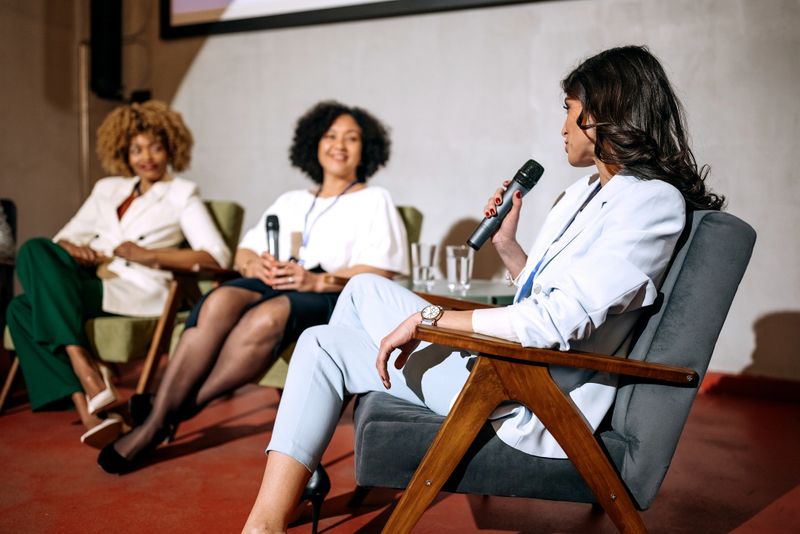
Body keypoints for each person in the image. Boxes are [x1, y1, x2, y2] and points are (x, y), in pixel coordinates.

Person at [241, 45, 725, 534]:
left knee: (321, 344)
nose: (562, 127)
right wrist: (508, 245)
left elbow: (554, 321)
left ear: (604, 114)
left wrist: (430, 320)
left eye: (570, 111)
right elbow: (546, 299)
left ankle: (267, 517)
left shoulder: (651, 203)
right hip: (508, 361)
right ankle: (303, 458)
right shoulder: (583, 194)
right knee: (365, 288)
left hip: (526, 391)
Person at [98, 101, 409, 474]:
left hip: (329, 292)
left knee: (267, 316)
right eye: (330, 135)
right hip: (274, 281)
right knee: (221, 299)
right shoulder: (292, 199)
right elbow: (244, 251)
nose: (339, 144)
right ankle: (165, 414)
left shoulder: (375, 200)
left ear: (366, 149)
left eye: (351, 138)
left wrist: (316, 280)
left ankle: (157, 420)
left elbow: (382, 270)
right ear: (314, 142)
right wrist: (254, 265)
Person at [6, 100, 230, 448]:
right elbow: (62, 239)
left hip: (134, 287)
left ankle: (87, 390)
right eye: (136, 149)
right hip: (91, 277)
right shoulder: (107, 189)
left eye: (156, 147)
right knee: (35, 252)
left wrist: (148, 254)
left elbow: (216, 255)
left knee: (20, 310)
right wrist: (74, 249)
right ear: (123, 153)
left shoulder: (181, 194)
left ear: (171, 147)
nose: (147, 157)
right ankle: (89, 386)